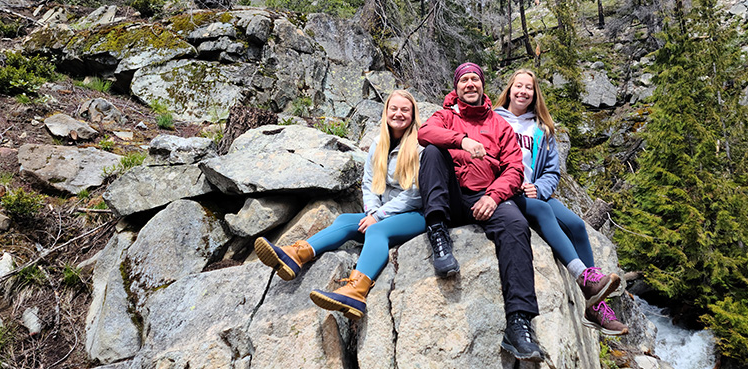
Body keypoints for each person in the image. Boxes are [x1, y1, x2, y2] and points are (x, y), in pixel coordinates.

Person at [254, 90, 425, 320]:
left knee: (376, 229)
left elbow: (415, 195)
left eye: (405, 110)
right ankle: (296, 256)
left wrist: (379, 216)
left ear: (413, 115)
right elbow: (369, 183)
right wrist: (372, 211)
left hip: (414, 215)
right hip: (383, 213)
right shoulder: (379, 144)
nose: (398, 114)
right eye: (393, 108)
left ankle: (356, 291)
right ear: (385, 112)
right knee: (345, 221)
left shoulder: (420, 146)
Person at [418, 62, 545, 362]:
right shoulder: (445, 116)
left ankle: (519, 323)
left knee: (515, 224)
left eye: (475, 79)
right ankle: (438, 235)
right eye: (465, 80)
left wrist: (494, 196)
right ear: (457, 86)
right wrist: (461, 140)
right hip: (453, 197)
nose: (470, 84)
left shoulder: (499, 125)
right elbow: (425, 132)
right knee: (433, 152)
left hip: (487, 196)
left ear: (483, 85)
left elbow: (514, 169)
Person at [494, 69, 629, 336]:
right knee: (544, 212)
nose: (522, 91)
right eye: (517, 86)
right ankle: (583, 276)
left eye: (528, 88)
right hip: (506, 192)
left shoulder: (542, 128)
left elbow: (552, 171)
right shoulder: (494, 120)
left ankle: (595, 305)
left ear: (534, 95)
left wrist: (538, 188)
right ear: (509, 90)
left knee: (577, 226)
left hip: (533, 192)